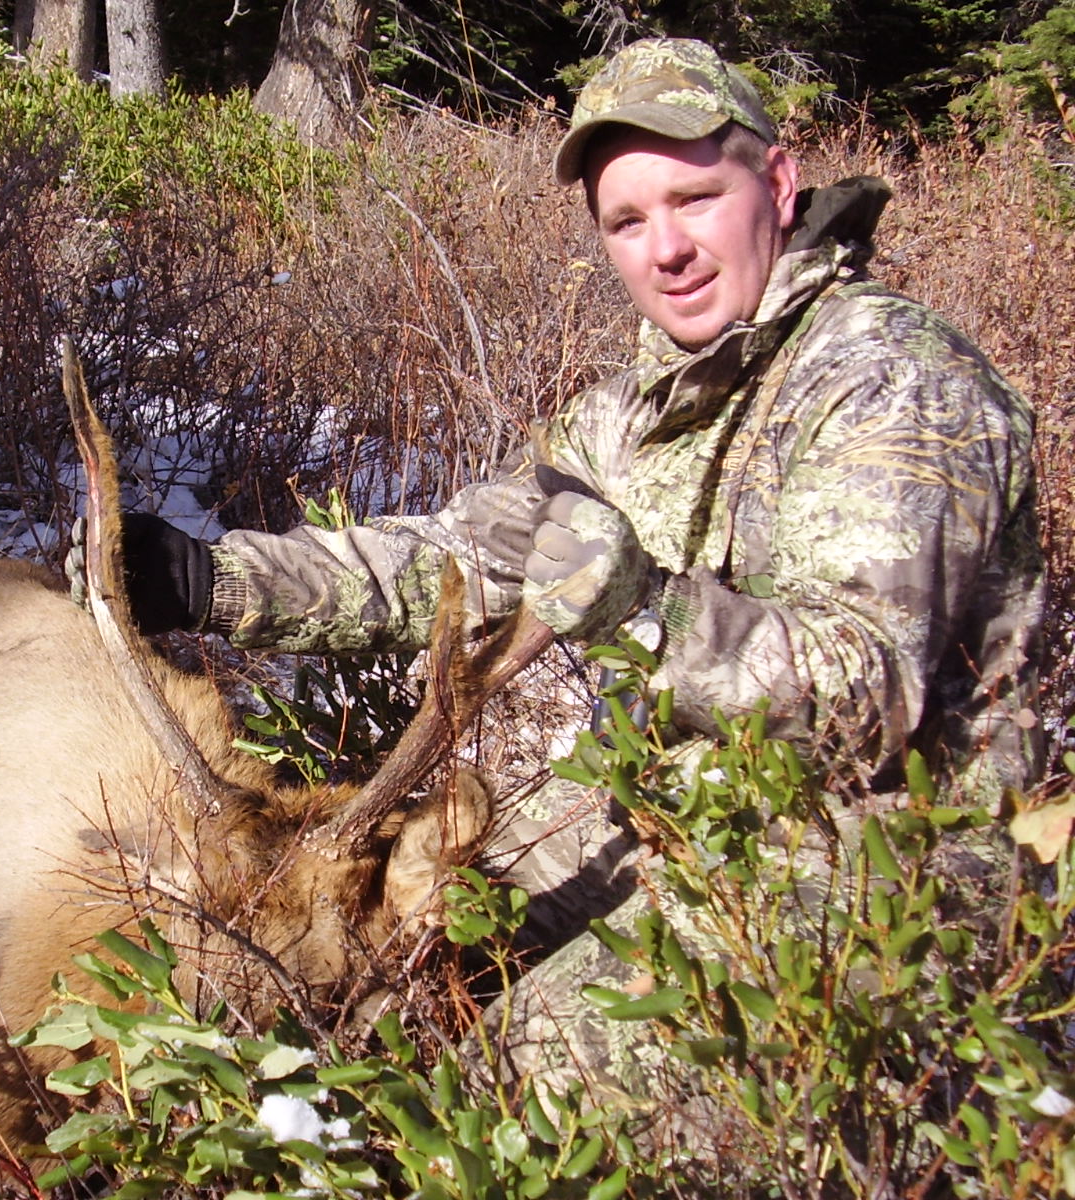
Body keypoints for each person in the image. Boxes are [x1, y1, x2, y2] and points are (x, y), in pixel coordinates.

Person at [105, 37, 1045, 1140]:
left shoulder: (892, 381)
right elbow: (462, 558)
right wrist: (210, 580)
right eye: (626, 222)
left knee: (489, 1102)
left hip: (887, 863)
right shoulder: (636, 409)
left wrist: (639, 606)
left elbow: (863, 700)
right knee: (380, 960)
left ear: (779, 187)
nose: (667, 251)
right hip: (674, 807)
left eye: (695, 199)